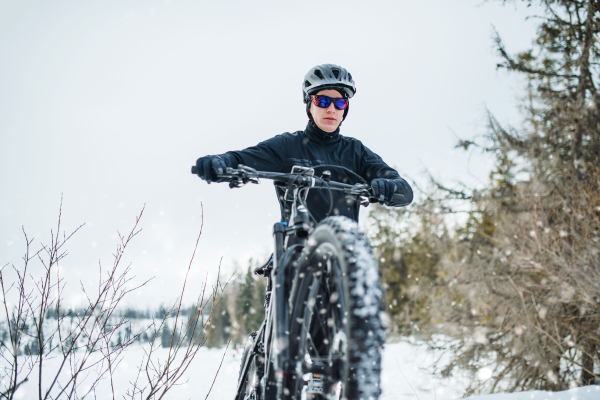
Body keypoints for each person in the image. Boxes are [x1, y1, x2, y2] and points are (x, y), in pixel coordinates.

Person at [194, 63, 413, 222]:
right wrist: (220, 162)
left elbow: (404, 190)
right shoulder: (288, 145)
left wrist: (390, 187)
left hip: (345, 253)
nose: (331, 109)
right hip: (296, 244)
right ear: (309, 104)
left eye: (339, 102)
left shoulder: (356, 152)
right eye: (323, 100)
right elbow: (242, 159)